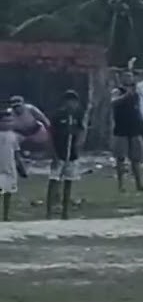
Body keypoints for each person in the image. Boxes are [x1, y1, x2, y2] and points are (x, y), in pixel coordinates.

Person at [47, 90, 85, 220]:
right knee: (54, 180)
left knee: (69, 181)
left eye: (74, 101)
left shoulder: (78, 115)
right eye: (69, 100)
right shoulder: (58, 115)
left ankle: (65, 212)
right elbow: (50, 135)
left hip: (72, 153)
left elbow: (81, 130)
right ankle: (49, 211)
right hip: (59, 152)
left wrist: (79, 144)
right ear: (65, 102)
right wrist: (53, 154)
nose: (72, 104)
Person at [111, 77, 143, 193]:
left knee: (136, 158)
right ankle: (120, 185)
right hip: (121, 128)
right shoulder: (117, 92)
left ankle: (139, 184)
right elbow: (113, 102)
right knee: (120, 158)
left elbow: (138, 110)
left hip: (135, 128)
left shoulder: (135, 95)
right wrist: (126, 95)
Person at [0, 110, 27, 221]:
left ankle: (6, 216)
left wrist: (21, 168)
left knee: (8, 192)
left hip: (10, 169)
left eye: (10, 121)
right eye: (5, 121)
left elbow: (16, 153)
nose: (8, 123)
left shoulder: (13, 136)